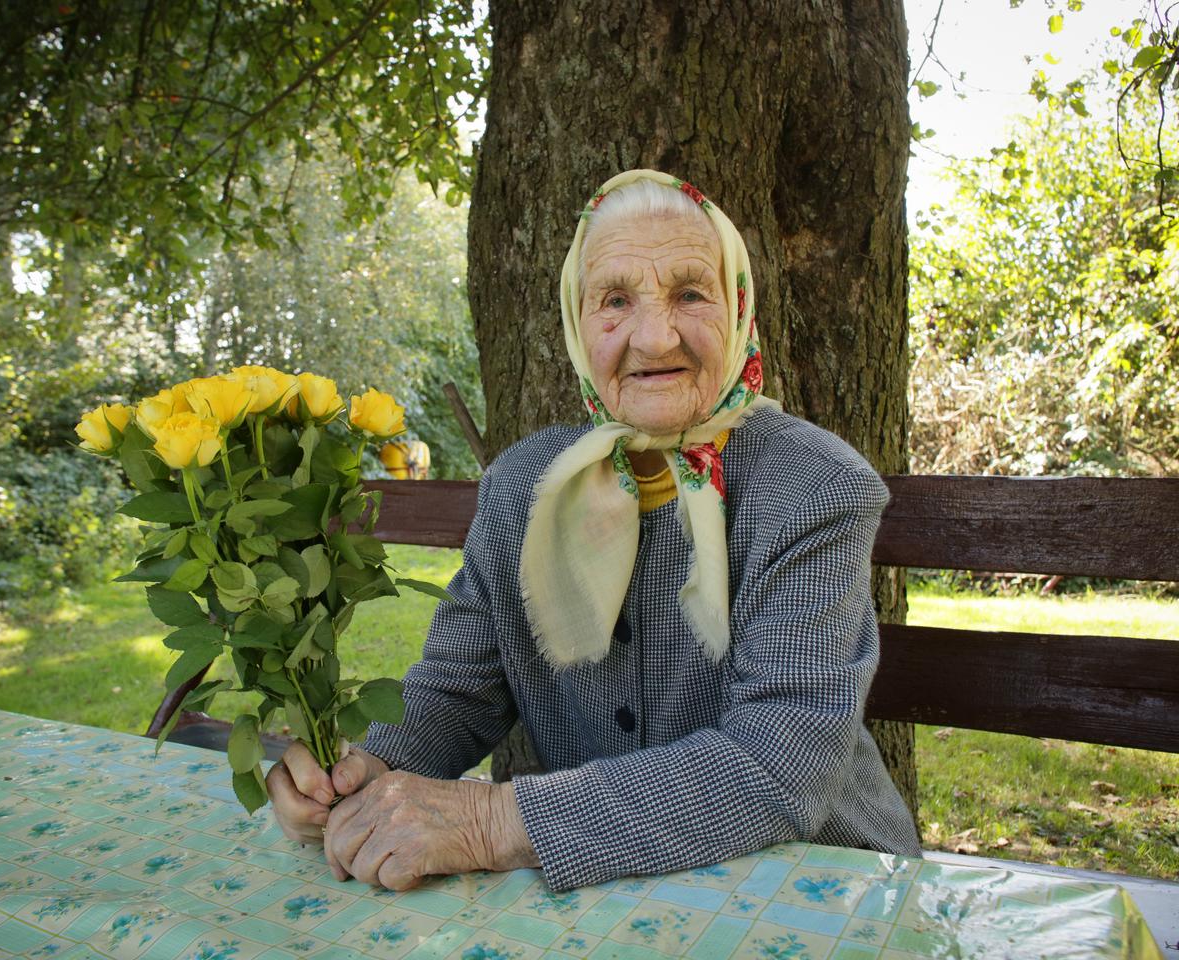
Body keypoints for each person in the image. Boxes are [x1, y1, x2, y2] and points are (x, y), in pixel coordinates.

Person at [267, 169, 921, 893]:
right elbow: (457, 693)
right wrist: (364, 771)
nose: (654, 335)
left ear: (737, 308)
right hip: (609, 895)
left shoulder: (814, 487)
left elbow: (780, 761)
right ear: (577, 326)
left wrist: (492, 822)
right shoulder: (524, 488)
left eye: (690, 294)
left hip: (816, 882)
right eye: (615, 300)